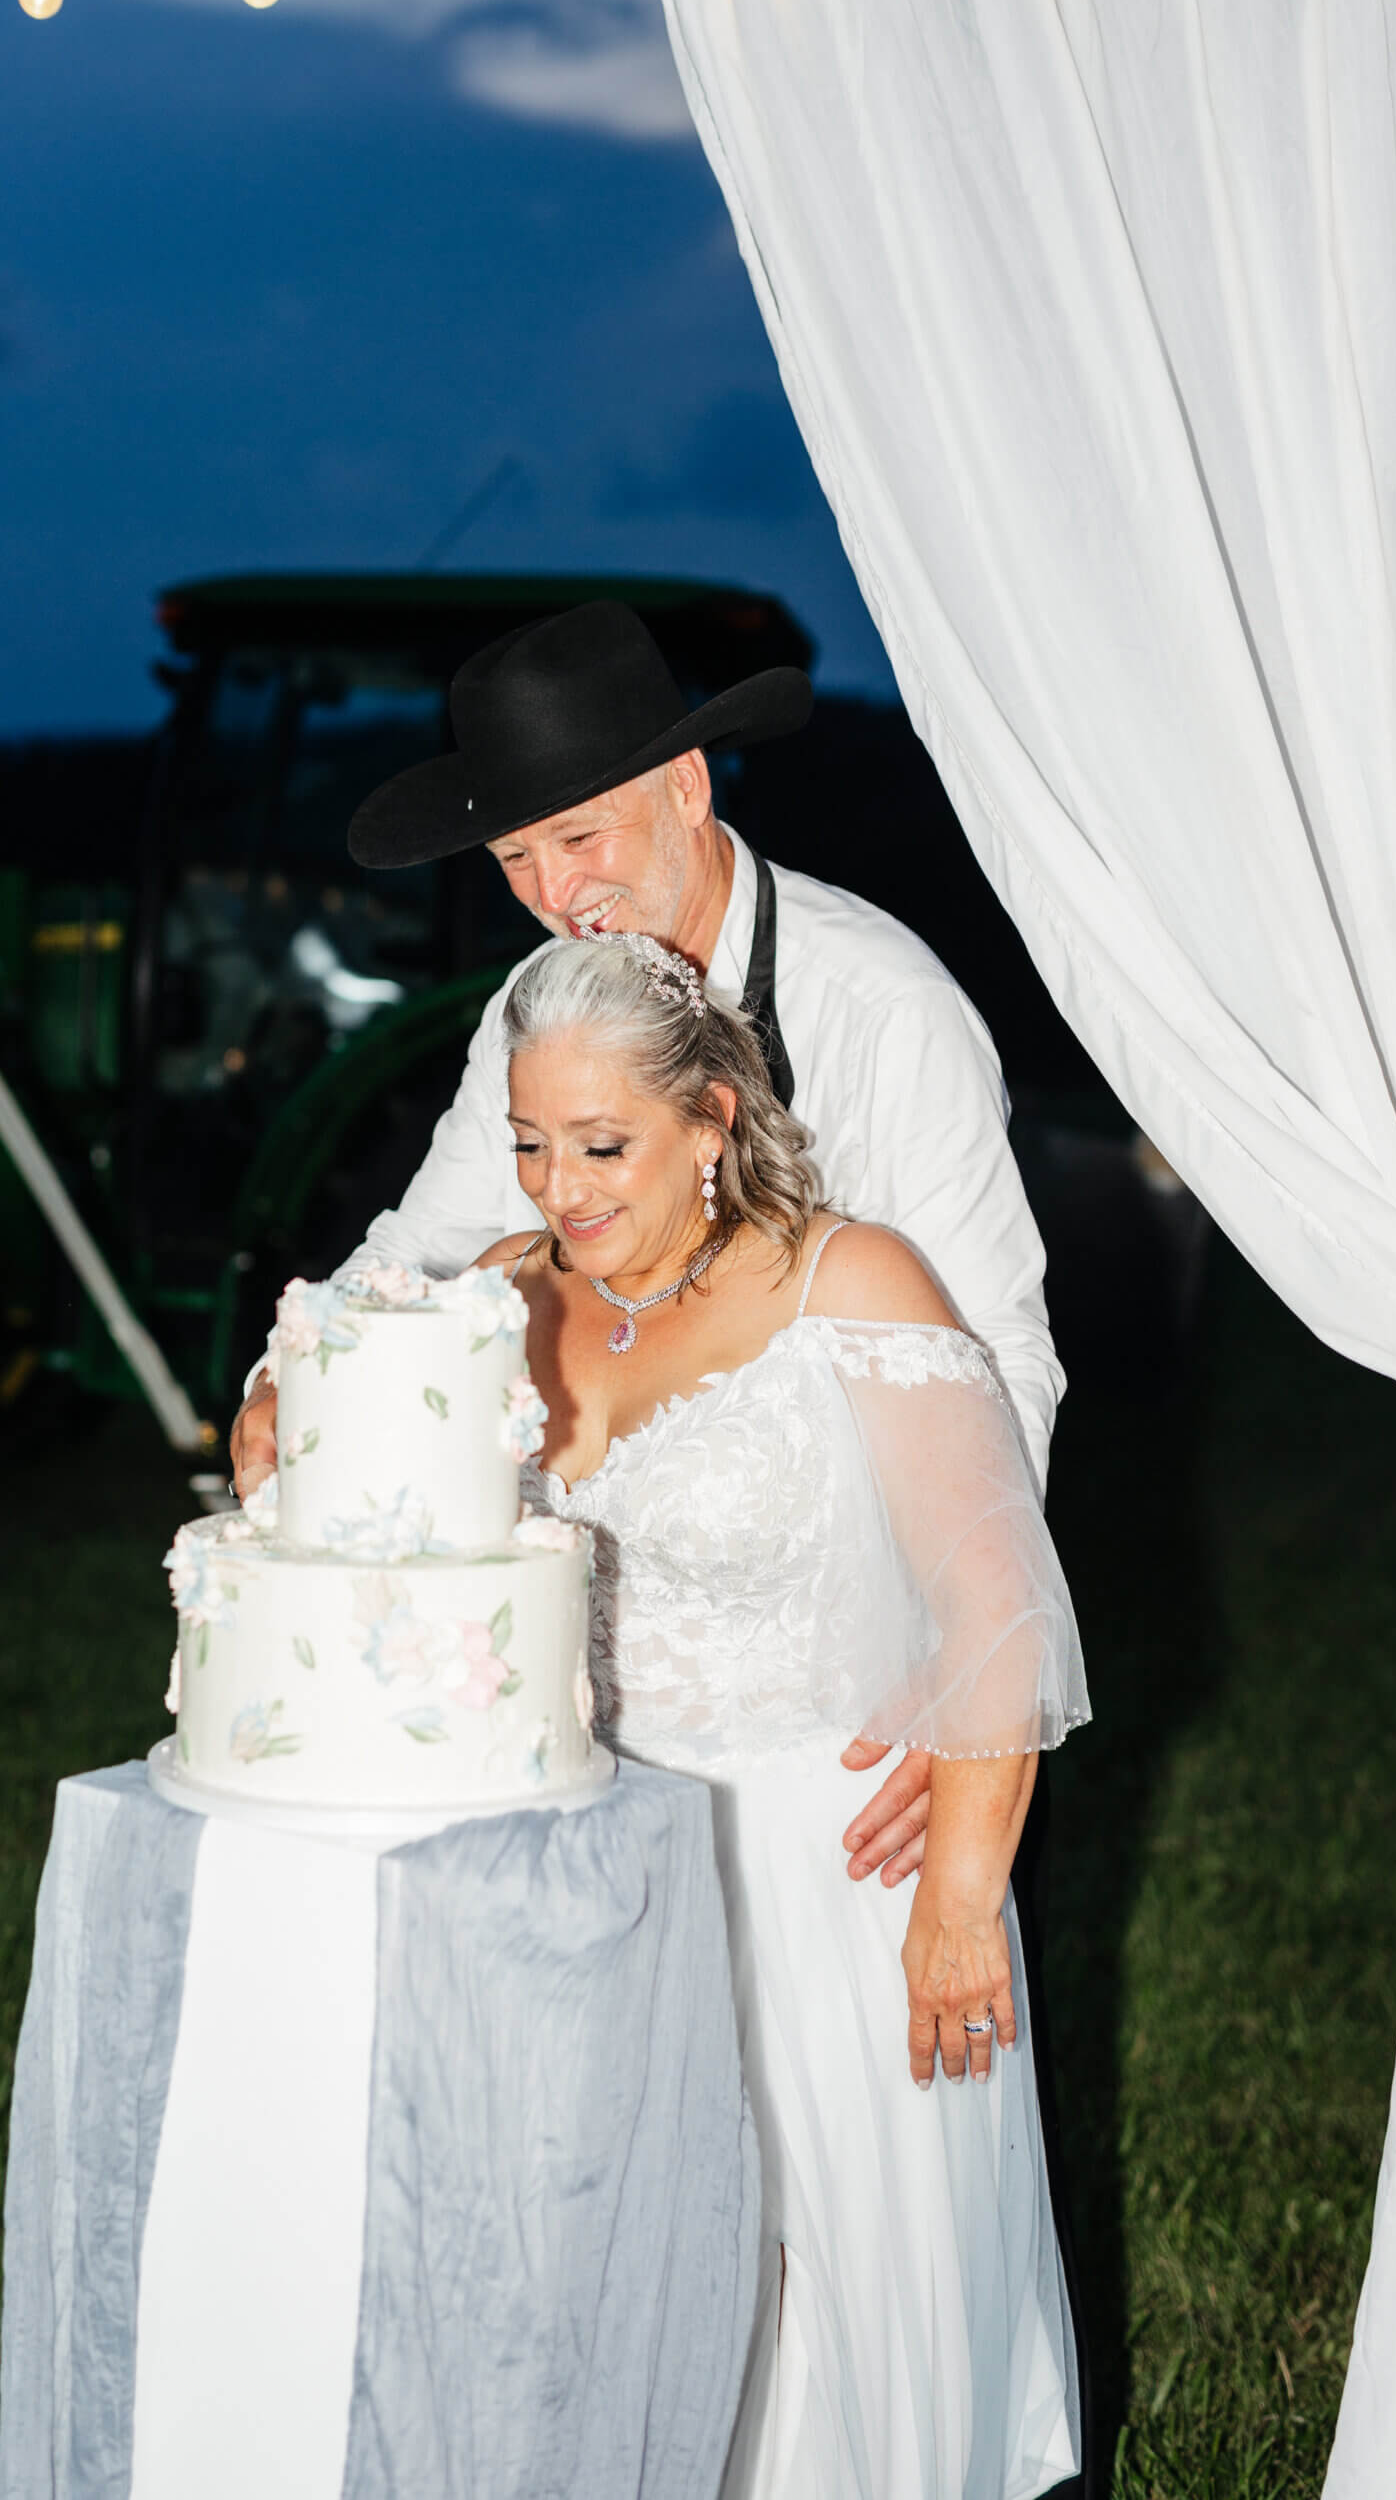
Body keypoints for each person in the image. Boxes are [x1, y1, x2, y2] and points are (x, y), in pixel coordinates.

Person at [231, 596, 1065, 1899]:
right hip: (589, 1675)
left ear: (685, 786)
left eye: (579, 835)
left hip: (826, 1664)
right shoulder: (533, 1002)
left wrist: (961, 1662)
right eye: (513, 858)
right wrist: (296, 1373)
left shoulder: (885, 1008)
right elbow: (431, 1244)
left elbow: (999, 1343)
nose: (556, 897)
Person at [486, 930, 1089, 2497]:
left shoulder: (854, 1281)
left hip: (834, 1876)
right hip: (594, 1869)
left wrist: (960, 1900)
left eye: (604, 1145)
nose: (562, 1190)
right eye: (531, 1145)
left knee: (851, 2280)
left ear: (713, 1120)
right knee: (616, 2279)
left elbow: (995, 1604)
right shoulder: (498, 1298)